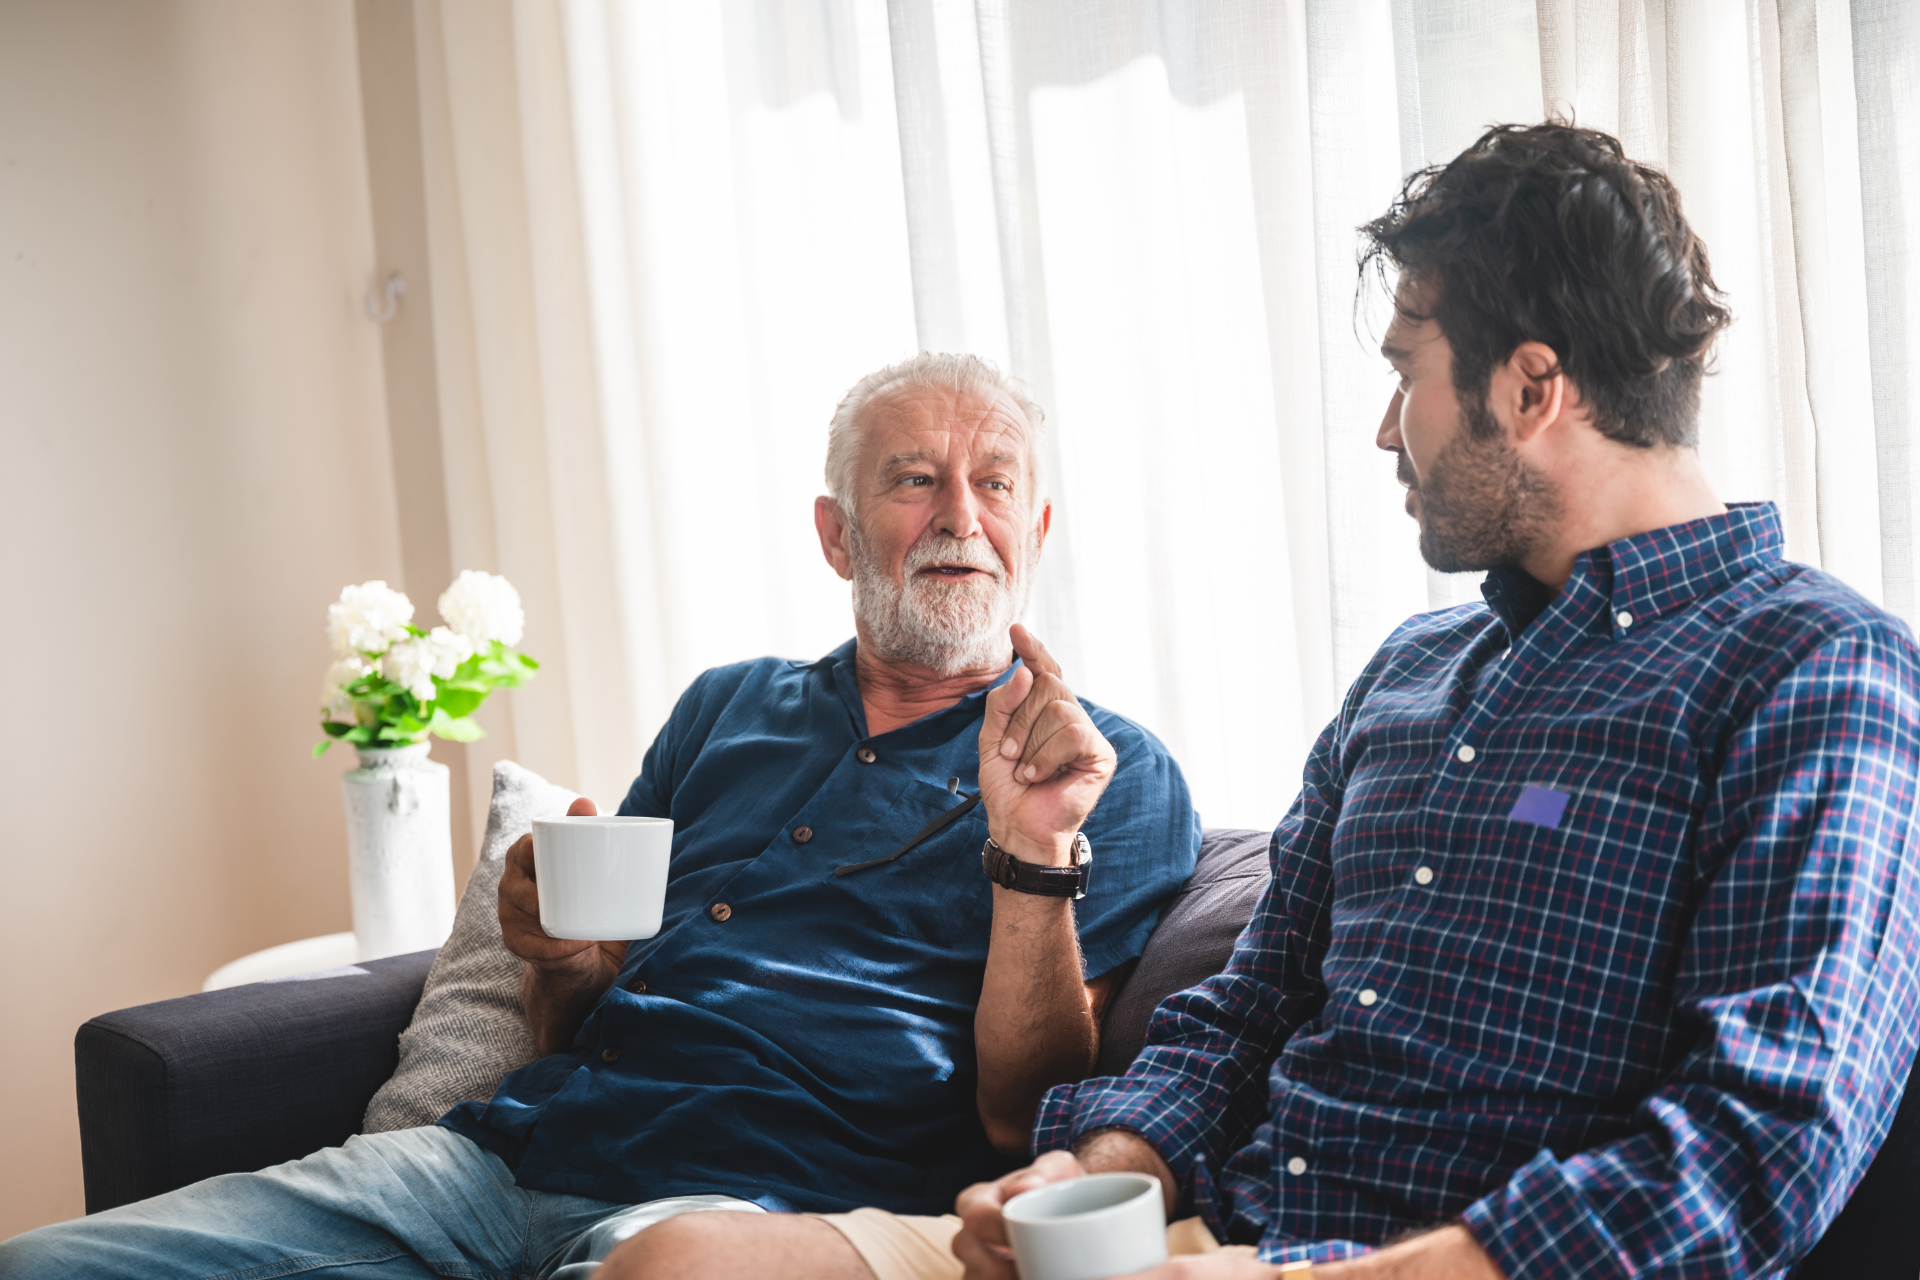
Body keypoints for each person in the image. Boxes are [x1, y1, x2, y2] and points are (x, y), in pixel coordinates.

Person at [738, 123, 1920, 1280]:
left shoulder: (1816, 670)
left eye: (1406, 372)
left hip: (1426, 1262)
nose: (1382, 429)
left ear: (1530, 386)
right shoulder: (1413, 671)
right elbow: (1248, 1008)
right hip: (1218, 1235)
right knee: (680, 1255)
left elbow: (1764, 1140)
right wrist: (1104, 1167)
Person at [0, 353, 1200, 1278]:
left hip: (754, 1209)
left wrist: (1033, 850)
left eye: (994, 485)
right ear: (836, 533)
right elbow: (579, 1006)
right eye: (912, 478)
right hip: (500, 1157)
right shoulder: (729, 706)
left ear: (1034, 532)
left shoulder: (1104, 770)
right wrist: (559, 955)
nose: (958, 514)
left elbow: (1021, 1110)